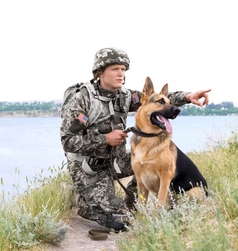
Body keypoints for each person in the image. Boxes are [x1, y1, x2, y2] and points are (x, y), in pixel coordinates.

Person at [60, 47, 211, 231]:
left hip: (115, 160)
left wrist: (187, 96)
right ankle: (83, 199)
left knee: (146, 165)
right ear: (100, 72)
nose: (121, 74)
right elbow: (67, 140)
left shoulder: (124, 95)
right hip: (89, 167)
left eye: (123, 69)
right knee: (116, 219)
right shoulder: (82, 98)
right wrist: (104, 139)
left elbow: (156, 99)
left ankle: (132, 201)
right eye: (115, 69)